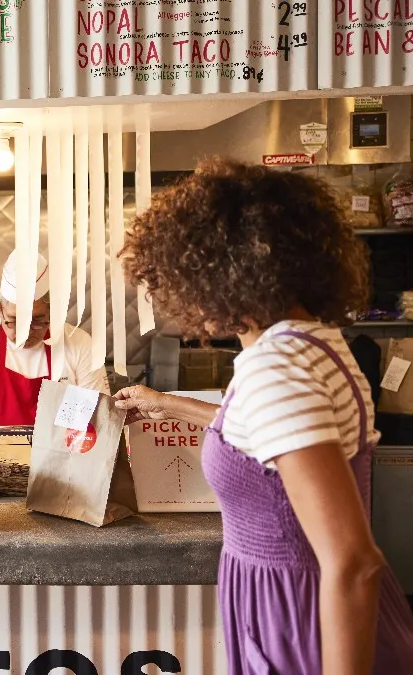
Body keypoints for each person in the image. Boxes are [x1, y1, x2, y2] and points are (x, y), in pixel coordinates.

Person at [113, 159, 413, 674]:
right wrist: (161, 403)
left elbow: (354, 563)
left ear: (233, 272)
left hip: (307, 625)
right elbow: (257, 437)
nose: (185, 298)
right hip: (301, 613)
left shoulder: (276, 366)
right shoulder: (310, 343)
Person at [0, 250, 108, 428]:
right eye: (14, 321)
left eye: (37, 321)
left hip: (61, 455)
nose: (24, 333)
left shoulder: (79, 344)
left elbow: (96, 419)